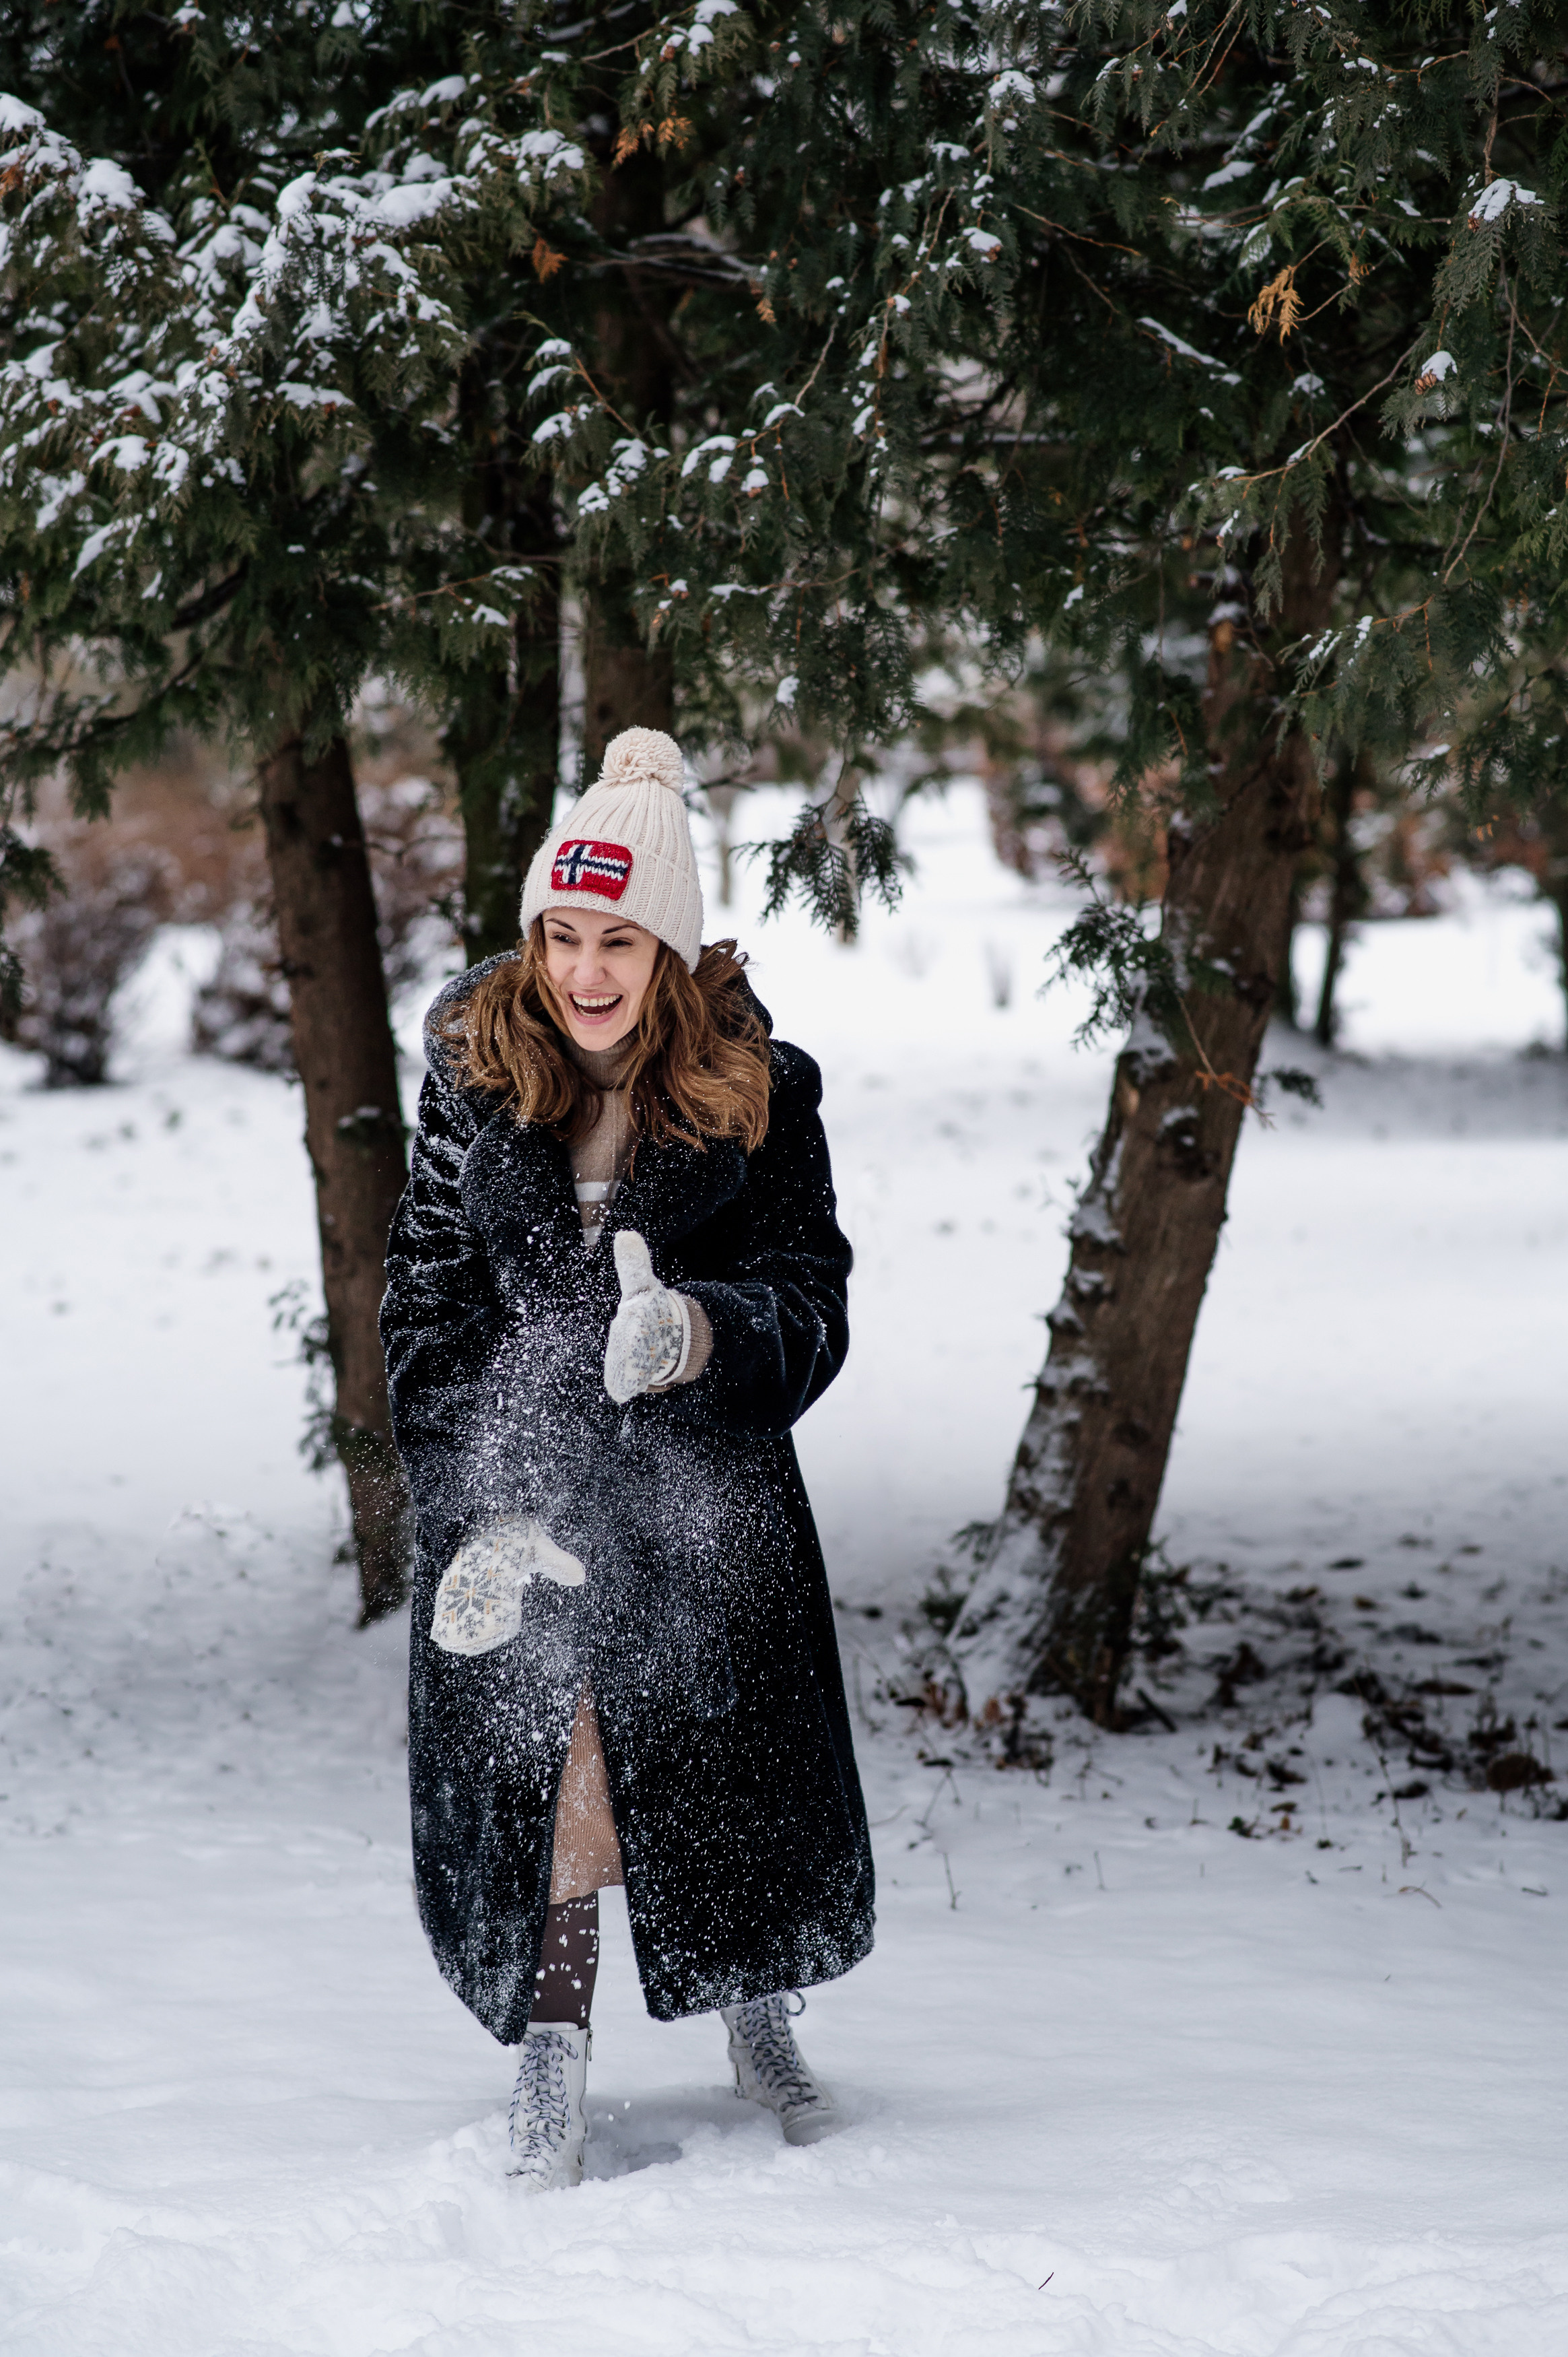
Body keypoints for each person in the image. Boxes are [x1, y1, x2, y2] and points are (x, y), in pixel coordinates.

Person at [380, 725, 875, 2191]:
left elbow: (811, 1298)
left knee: (719, 1767)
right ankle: (555, 2042)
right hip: (522, 1488)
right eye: (562, 935)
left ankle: (755, 2008)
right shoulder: (473, 1081)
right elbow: (423, 1307)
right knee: (561, 1762)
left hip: (701, 1493)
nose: (585, 971)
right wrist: (478, 1499)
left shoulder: (759, 1089)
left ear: (669, 951)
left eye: (619, 940)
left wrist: (700, 1332)